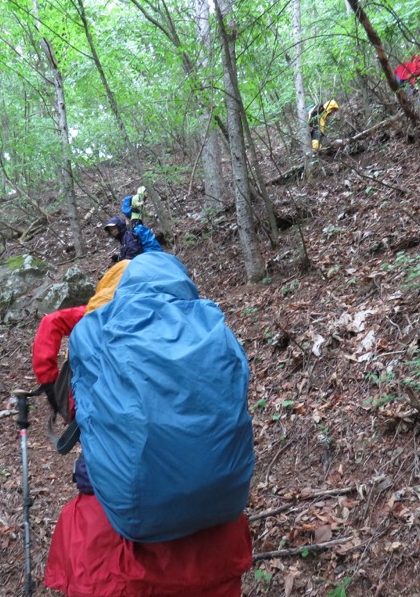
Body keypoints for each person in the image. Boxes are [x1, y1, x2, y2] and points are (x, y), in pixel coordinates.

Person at [33, 254, 253, 597]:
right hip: (219, 530)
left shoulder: (95, 330)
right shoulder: (208, 329)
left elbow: (78, 412)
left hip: (116, 548)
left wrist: (52, 382)